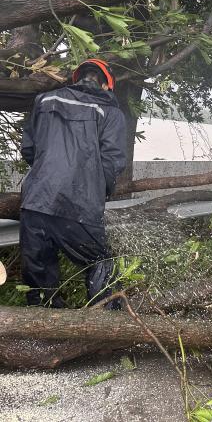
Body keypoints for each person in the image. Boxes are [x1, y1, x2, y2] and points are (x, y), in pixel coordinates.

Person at [20, 59, 127, 308]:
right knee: (101, 263)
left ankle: (42, 326)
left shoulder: (44, 101)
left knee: (39, 284)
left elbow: (29, 149)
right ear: (106, 85)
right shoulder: (110, 112)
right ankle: (106, 323)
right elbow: (112, 163)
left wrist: (47, 175)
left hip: (35, 202)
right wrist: (98, 192)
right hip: (79, 206)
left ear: (78, 78)